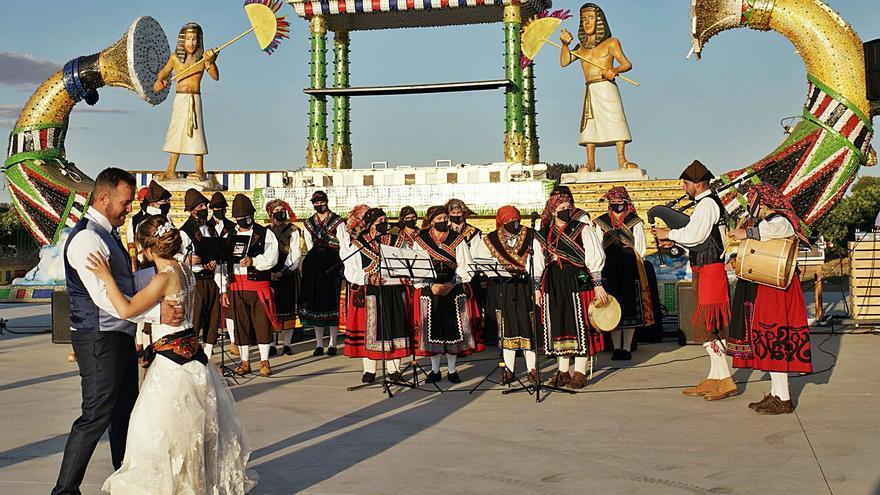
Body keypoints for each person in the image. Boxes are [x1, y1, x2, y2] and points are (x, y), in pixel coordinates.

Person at [88, 215, 255, 494]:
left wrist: (106, 277)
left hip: (171, 367)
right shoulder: (185, 270)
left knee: (156, 435)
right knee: (192, 437)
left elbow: (127, 310)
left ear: (149, 250)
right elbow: (188, 303)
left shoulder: (163, 279)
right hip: (195, 361)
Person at [52, 168, 184, 495]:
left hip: (118, 337)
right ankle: (64, 491)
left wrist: (167, 272)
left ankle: (128, 482)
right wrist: (156, 311)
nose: (129, 209)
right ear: (103, 198)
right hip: (98, 338)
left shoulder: (107, 234)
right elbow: (105, 300)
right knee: (96, 414)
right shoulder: (86, 239)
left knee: (125, 412)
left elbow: (125, 283)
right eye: (124, 204)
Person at [653, 160, 737, 401]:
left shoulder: (707, 204)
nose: (683, 187)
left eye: (686, 183)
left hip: (710, 270)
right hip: (704, 267)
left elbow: (696, 234)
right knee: (705, 326)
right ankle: (716, 375)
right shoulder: (704, 204)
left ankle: (726, 379)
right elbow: (698, 239)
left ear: (698, 184)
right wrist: (675, 242)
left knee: (710, 324)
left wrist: (668, 234)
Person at [727, 184, 812, 414]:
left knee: (774, 337)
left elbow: (774, 230)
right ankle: (777, 394)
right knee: (768, 338)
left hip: (777, 288)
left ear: (764, 203)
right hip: (768, 285)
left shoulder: (782, 219)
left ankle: (783, 398)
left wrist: (745, 233)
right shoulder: (767, 222)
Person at [537, 190, 609, 389]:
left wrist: (598, 285)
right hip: (553, 282)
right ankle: (562, 372)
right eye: (561, 209)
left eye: (568, 208)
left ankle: (579, 372)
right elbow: (537, 263)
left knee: (580, 326)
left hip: (578, 281)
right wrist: (537, 289)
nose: (566, 211)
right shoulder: (543, 234)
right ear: (552, 211)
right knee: (560, 324)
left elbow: (595, 257)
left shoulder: (582, 229)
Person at [473, 206, 545, 384]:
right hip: (502, 288)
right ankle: (508, 369)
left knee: (528, 327)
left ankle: (532, 370)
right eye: (509, 221)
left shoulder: (531, 235)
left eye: (516, 219)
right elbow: (481, 261)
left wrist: (535, 285)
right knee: (506, 328)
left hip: (524, 287)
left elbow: (539, 262)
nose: (514, 223)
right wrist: (497, 272)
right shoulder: (490, 239)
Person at [560, 3, 636, 171]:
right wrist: (565, 45)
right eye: (584, 19)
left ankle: (622, 159)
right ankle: (590, 162)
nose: (587, 22)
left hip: (607, 87)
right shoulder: (580, 48)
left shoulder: (611, 43)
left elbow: (627, 64)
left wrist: (614, 70)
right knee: (590, 125)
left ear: (599, 21)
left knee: (615, 120)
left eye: (591, 18)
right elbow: (564, 62)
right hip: (591, 89)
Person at [343, 208, 412, 383]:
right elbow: (351, 270)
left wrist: (406, 275)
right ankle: (369, 370)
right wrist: (369, 277)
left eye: (384, 220)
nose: (383, 223)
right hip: (370, 291)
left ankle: (394, 369)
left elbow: (408, 262)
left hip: (394, 289)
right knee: (370, 331)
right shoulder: (359, 243)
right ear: (369, 224)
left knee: (394, 326)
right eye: (378, 221)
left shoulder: (398, 241)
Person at [412, 205, 477, 383]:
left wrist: (453, 283)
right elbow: (416, 268)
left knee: (452, 330)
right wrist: (430, 285)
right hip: (430, 290)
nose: (443, 222)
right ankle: (434, 370)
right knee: (433, 330)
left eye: (444, 218)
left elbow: (467, 266)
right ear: (431, 220)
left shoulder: (458, 239)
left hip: (453, 289)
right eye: (439, 219)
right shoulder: (420, 240)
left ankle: (452, 370)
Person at [220, 194, 280, 377]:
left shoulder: (264, 233)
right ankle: (244, 361)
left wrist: (253, 261)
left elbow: (272, 257)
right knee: (241, 325)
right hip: (236, 286)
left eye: (244, 217)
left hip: (258, 284)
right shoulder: (229, 235)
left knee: (262, 324)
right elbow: (223, 264)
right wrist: (223, 288)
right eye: (238, 219)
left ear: (251, 215)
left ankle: (264, 361)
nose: (241, 221)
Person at [594, 186, 654, 360]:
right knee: (611, 306)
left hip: (629, 268)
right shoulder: (601, 222)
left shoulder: (635, 221)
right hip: (609, 268)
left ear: (626, 203)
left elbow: (640, 249)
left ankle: (626, 348)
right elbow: (598, 247)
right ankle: (616, 348)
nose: (616, 205)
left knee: (629, 307)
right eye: (613, 202)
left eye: (619, 202)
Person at [154, 22, 219, 181]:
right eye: (189, 39)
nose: (192, 43)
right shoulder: (175, 58)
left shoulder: (203, 58)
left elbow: (215, 76)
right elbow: (162, 74)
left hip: (195, 98)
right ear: (183, 40)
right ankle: (170, 170)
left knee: (197, 133)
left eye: (195, 39)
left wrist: (211, 61)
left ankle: (199, 170)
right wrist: (159, 82)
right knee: (176, 132)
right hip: (180, 99)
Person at [301, 191, 345, 356]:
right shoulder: (309, 223)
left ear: (326, 202)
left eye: (321, 202)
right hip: (315, 265)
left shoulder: (338, 221)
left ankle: (333, 343)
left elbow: (343, 243)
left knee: (331, 304)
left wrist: (341, 266)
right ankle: (319, 344)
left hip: (332, 264)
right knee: (316, 305)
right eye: (315, 202)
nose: (318, 205)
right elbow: (308, 243)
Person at [179, 188, 222, 358]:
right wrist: (188, 260)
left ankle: (209, 354)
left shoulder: (211, 229)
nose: (204, 208)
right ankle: (193, 353)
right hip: (195, 279)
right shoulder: (185, 231)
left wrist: (215, 260)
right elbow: (177, 255)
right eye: (201, 206)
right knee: (196, 318)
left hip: (212, 278)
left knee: (213, 317)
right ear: (192, 210)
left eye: (205, 205)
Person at [445, 198, 487, 349]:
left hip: (469, 274)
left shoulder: (473, 232)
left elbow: (476, 254)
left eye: (459, 212)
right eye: (453, 212)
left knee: (470, 309)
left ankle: (472, 340)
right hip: (449, 274)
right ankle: (454, 340)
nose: (456, 215)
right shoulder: (445, 231)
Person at [267, 199, 302, 356]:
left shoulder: (293, 230)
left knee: (288, 308)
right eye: (277, 211)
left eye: (282, 210)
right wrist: (270, 272)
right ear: (271, 214)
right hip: (270, 272)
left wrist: (283, 270)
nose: (280, 213)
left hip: (287, 273)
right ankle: (272, 344)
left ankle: (287, 344)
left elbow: (295, 254)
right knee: (273, 308)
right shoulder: (267, 231)